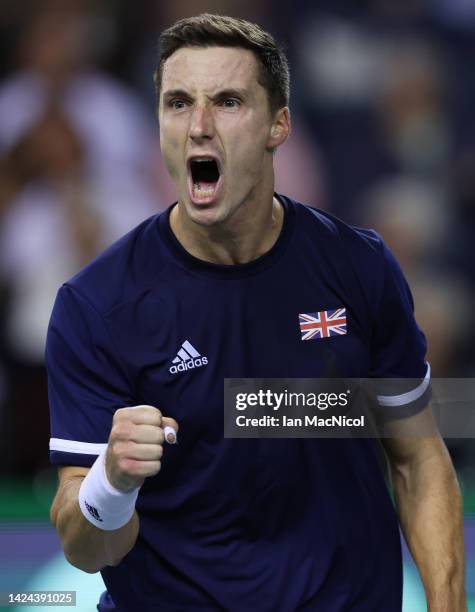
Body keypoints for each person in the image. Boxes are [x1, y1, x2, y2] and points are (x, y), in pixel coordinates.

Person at [47, 14, 466, 612]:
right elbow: (89, 548)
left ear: (279, 125)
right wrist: (110, 483)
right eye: (177, 102)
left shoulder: (360, 267)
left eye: (228, 101)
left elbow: (418, 455)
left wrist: (446, 604)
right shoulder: (97, 306)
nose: (198, 127)